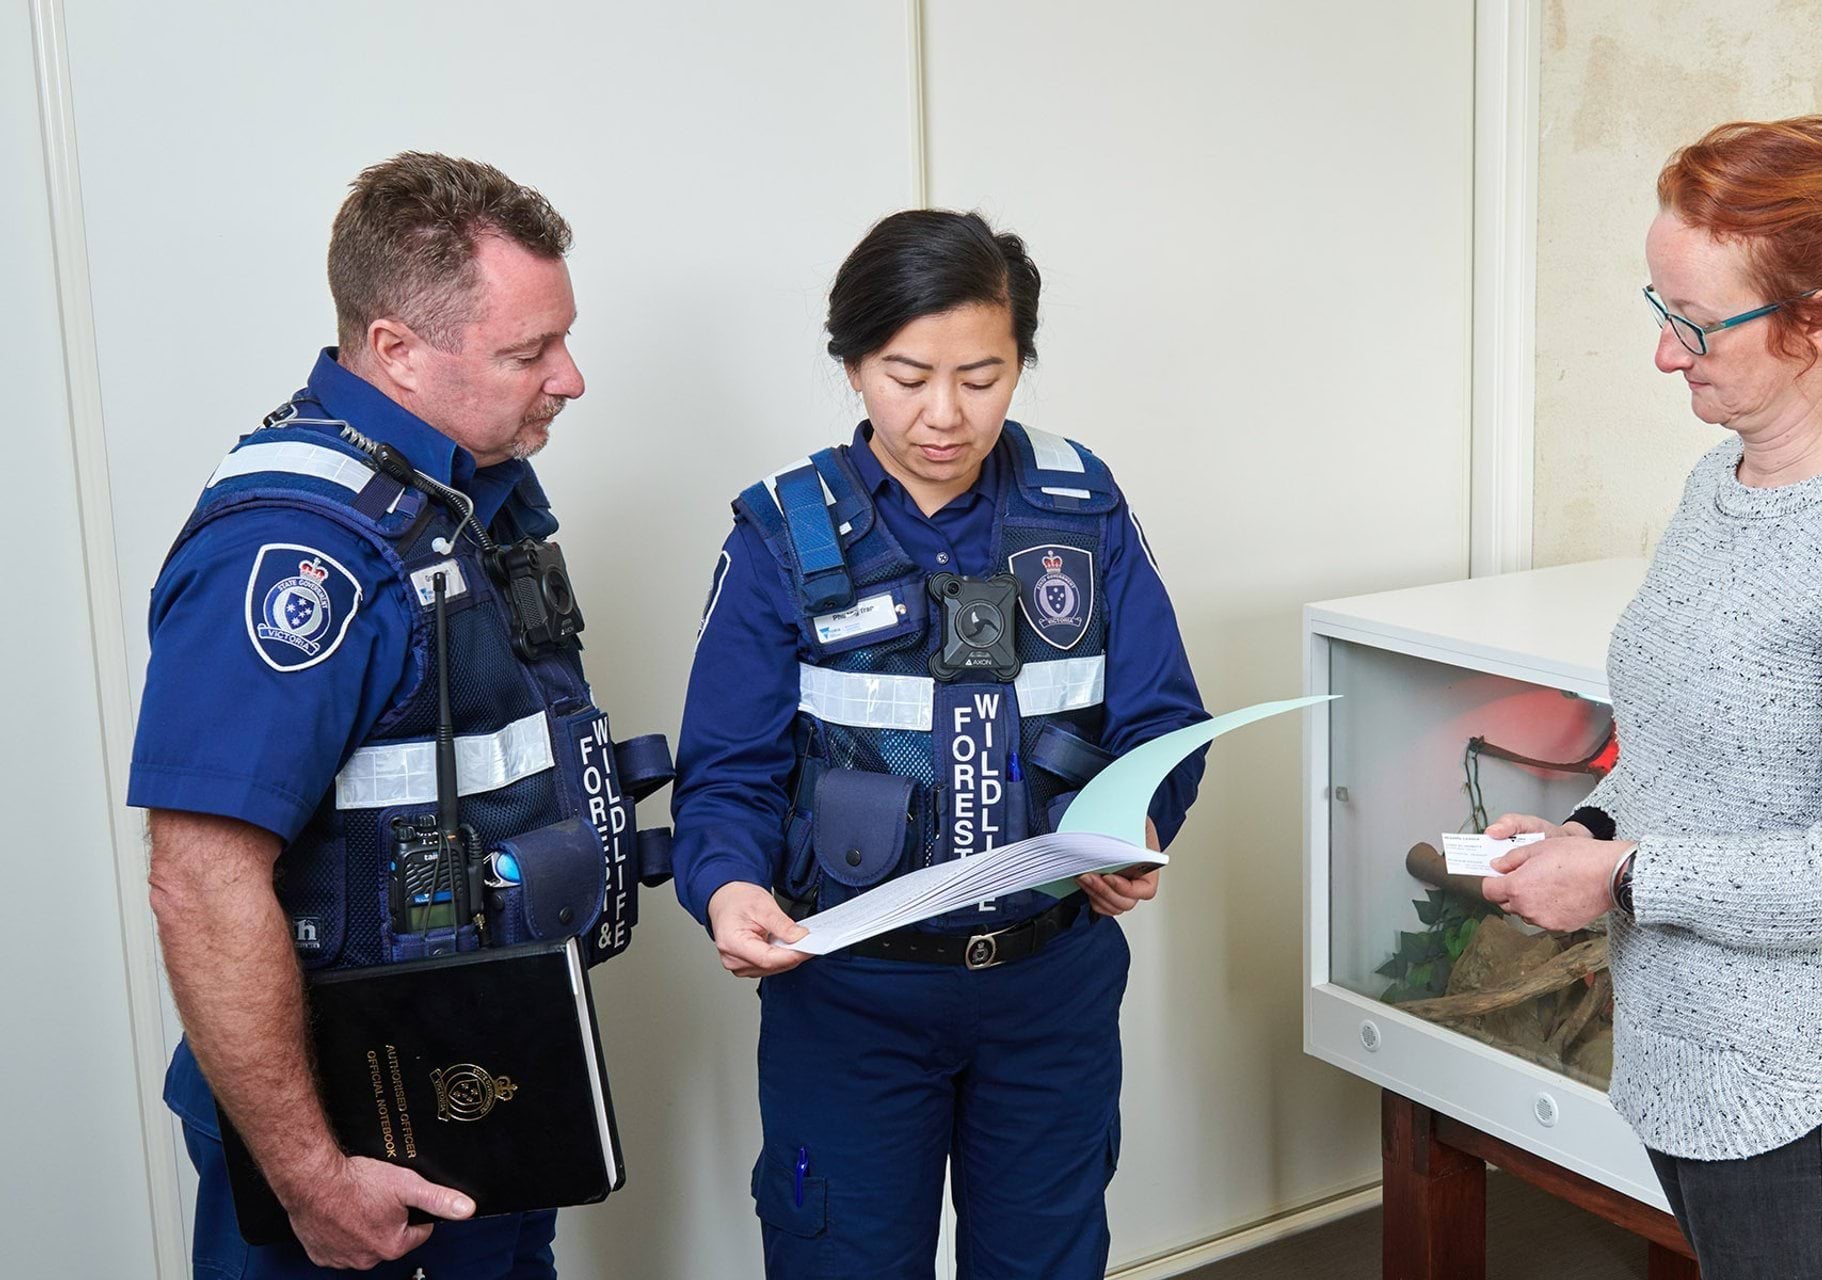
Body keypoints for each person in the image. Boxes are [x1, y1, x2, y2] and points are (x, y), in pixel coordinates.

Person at [1479, 91, 1822, 1279]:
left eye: (1697, 323)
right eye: (1659, 306)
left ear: (1817, 321)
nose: (1662, 349)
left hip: (1809, 1083)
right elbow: (1682, 752)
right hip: (1680, 1037)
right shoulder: (1719, 482)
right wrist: (1584, 829)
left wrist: (1616, 873)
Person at [134, 153, 670, 1277]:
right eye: (529, 352)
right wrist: (310, 1176)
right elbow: (200, 877)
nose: (569, 377)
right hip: (344, 1140)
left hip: (484, 1090)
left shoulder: (462, 496)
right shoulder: (292, 555)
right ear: (395, 350)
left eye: (561, 338)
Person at [670, 209, 1208, 1278]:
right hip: (850, 999)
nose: (943, 415)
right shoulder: (781, 531)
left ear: (1020, 362)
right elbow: (726, 771)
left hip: (1047, 989)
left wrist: (1138, 822)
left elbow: (1161, 720)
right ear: (853, 361)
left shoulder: (1081, 505)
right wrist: (726, 887)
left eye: (982, 375)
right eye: (905, 375)